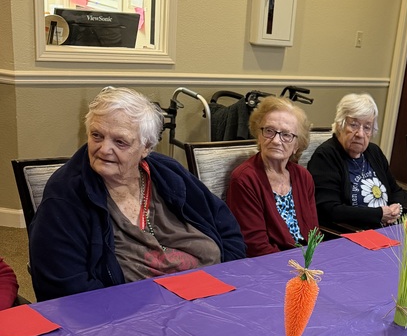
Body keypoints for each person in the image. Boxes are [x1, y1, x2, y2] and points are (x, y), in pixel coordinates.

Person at [28, 88, 245, 301]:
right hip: (131, 315)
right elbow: (65, 288)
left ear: (146, 147)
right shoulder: (65, 195)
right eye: (97, 135)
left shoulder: (168, 173)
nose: (104, 149)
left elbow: (226, 228)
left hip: (212, 297)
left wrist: (226, 280)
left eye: (120, 141)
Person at [226, 96, 318, 256]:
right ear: (259, 135)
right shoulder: (244, 179)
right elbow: (255, 246)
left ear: (297, 145)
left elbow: (313, 235)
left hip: (307, 262)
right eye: (269, 131)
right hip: (269, 263)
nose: (276, 141)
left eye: (286, 135)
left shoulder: (303, 177)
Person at [307, 94, 407, 231]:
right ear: (340, 125)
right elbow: (329, 209)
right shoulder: (325, 156)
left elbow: (397, 190)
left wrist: (397, 206)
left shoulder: (374, 152)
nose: (360, 134)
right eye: (354, 125)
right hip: (351, 233)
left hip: (388, 229)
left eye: (367, 127)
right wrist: (378, 214)